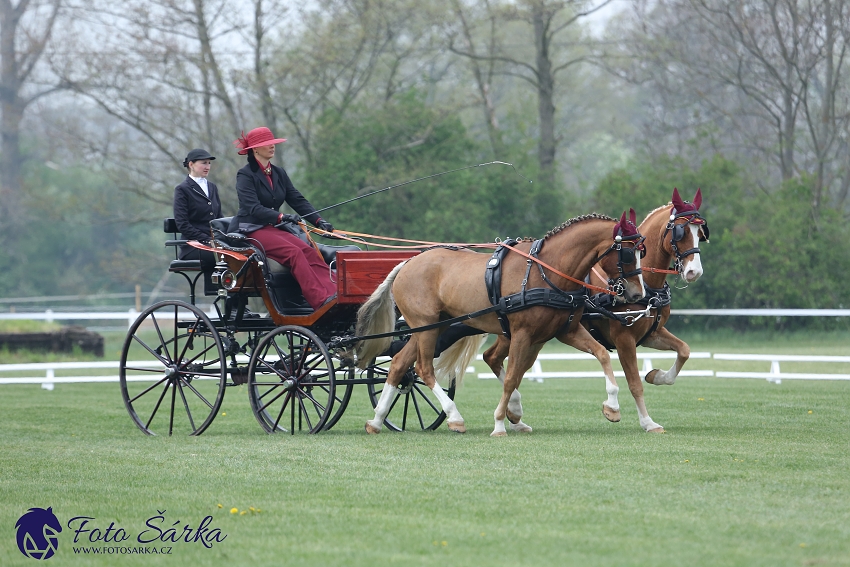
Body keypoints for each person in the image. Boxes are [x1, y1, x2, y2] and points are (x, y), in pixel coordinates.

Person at [228, 127, 337, 310]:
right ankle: (319, 300)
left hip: (272, 228)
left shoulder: (279, 173)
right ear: (255, 149)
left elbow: (296, 199)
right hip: (251, 228)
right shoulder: (245, 175)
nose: (272, 147)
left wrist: (318, 221)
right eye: (267, 144)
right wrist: (281, 216)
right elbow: (252, 208)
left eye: (273, 143)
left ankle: (333, 293)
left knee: (308, 250)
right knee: (293, 253)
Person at [173, 148, 222, 294]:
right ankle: (224, 300)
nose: (207, 166)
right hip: (193, 246)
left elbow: (219, 218)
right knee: (224, 257)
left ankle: (237, 304)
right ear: (191, 164)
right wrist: (206, 240)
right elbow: (182, 224)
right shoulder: (182, 189)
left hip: (214, 244)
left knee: (241, 256)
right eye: (203, 163)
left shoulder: (212, 187)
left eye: (209, 163)